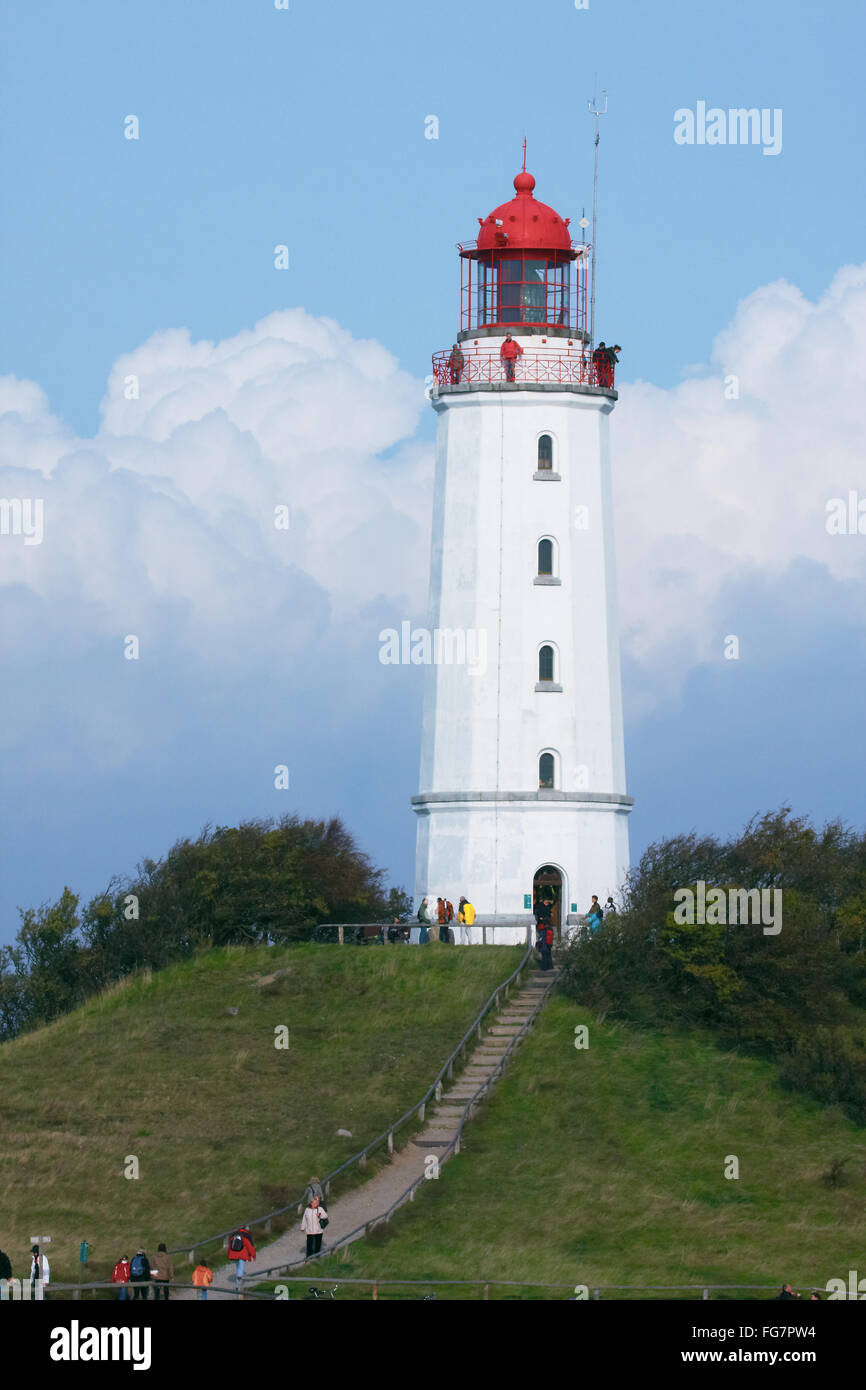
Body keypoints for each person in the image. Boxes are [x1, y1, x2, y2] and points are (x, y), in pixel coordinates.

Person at [227, 1226, 256, 1292]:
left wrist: (229, 1254)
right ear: (246, 1230)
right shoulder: (246, 1235)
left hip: (234, 1254)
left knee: (238, 1269)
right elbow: (249, 1246)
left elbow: (229, 1246)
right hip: (242, 1255)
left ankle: (237, 1284)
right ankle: (238, 1287)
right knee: (240, 1270)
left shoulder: (234, 1235)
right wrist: (253, 1255)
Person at [300, 1195, 329, 1260]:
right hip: (309, 1231)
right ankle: (308, 1256)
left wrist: (320, 1215)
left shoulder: (320, 1209)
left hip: (318, 1230)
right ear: (311, 1203)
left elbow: (326, 1216)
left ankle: (317, 1255)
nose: (316, 1204)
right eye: (314, 1203)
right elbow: (304, 1219)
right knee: (309, 1244)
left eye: (317, 1203)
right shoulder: (307, 1210)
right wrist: (302, 1227)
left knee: (318, 1244)